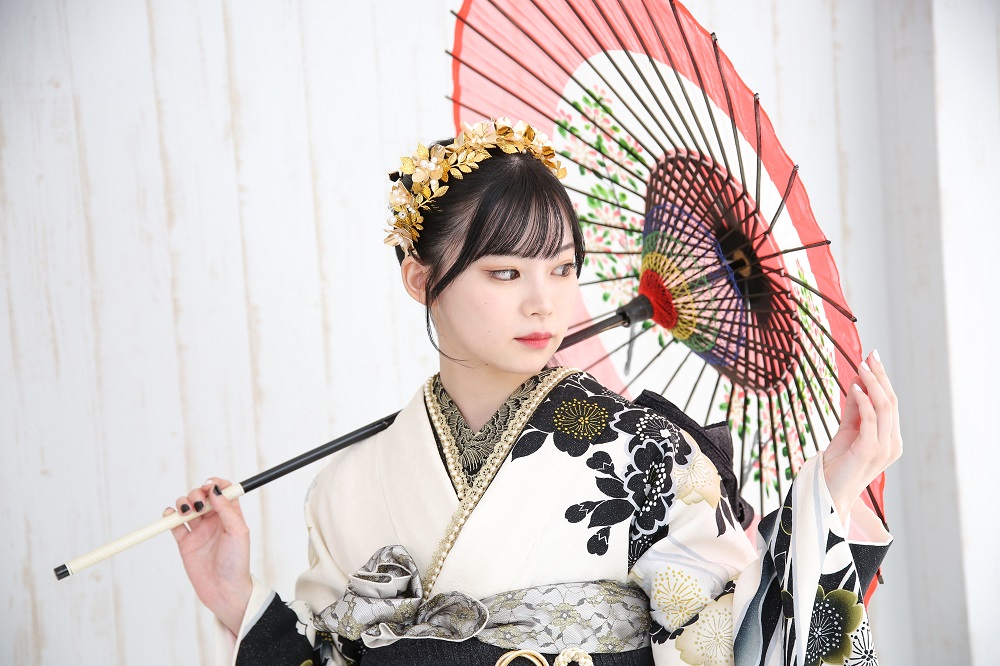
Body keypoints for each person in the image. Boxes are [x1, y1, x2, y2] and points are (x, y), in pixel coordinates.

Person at [167, 118, 901, 666]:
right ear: (420, 280)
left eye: (562, 269)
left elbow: (728, 643)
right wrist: (237, 599)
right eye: (505, 273)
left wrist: (830, 497)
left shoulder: (642, 454)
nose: (544, 302)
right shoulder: (347, 487)